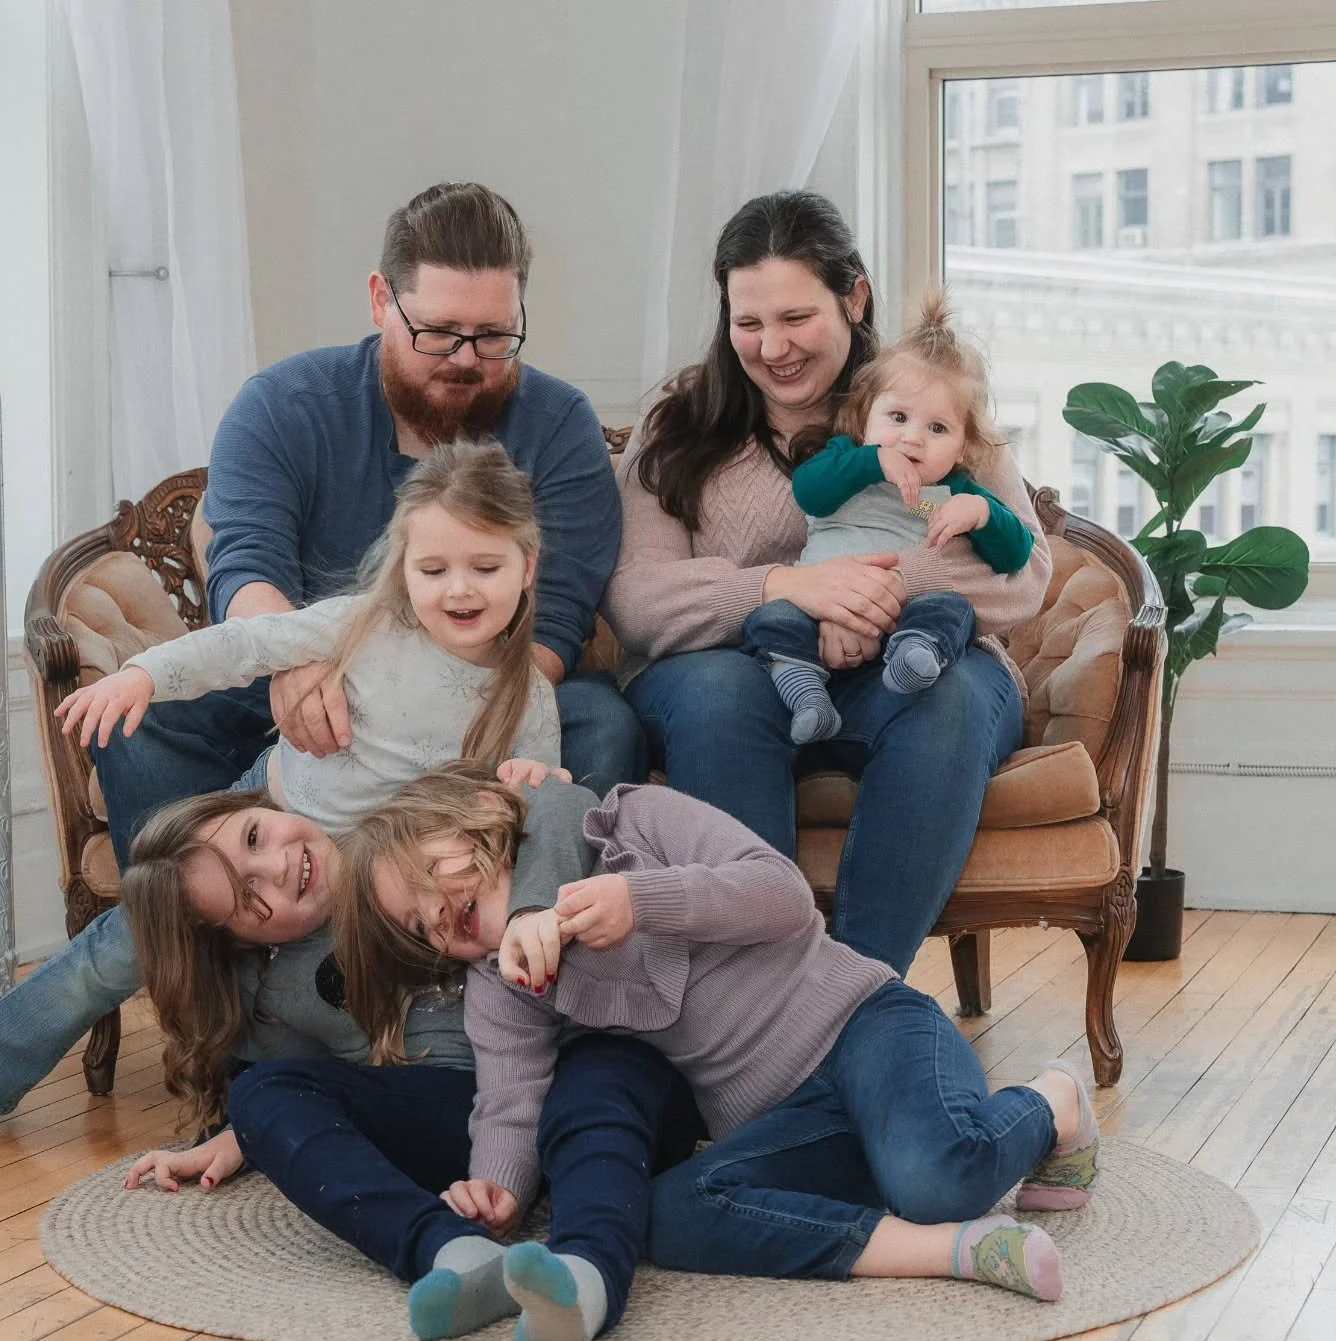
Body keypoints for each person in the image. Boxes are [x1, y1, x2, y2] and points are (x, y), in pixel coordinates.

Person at [345, 765, 1101, 1341]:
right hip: (790, 1118)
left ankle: (1055, 1097)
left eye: (429, 879)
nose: (437, 917)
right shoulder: (503, 985)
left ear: (482, 809)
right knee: (667, 1216)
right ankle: (956, 1251)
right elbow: (509, 1097)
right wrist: (499, 1190)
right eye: (418, 927)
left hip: (869, 1028)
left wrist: (641, 901)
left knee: (939, 1178)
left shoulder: (633, 823)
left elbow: (782, 896)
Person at [94, 179, 645, 867]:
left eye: (496, 336)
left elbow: (557, 616)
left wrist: (436, 723)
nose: (468, 359)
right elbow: (247, 560)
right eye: (441, 333)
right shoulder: (282, 405)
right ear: (382, 299)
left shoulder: (560, 424)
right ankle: (196, 953)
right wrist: (294, 668)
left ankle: (522, 948)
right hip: (302, 670)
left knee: (602, 723)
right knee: (142, 722)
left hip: (484, 690)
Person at [601, 191, 1052, 977]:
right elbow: (640, 599)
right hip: (740, 675)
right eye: (749, 323)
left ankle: (851, 1003)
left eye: (796, 318)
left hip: (903, 669)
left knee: (951, 694)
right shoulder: (682, 418)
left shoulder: (924, 402)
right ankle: (757, 1004)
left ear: (855, 298)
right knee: (716, 693)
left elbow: (1026, 576)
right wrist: (791, 586)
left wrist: (871, 596)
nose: (772, 347)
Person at [117, 777, 701, 1341]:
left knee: (601, 1081)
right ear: (236, 942)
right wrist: (244, 1135)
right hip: (461, 1111)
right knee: (259, 1092)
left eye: (255, 837)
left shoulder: (408, 833)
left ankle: (585, 1276)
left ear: (266, 807)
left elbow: (558, 806)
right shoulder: (277, 992)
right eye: (247, 897)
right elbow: (306, 1092)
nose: (278, 866)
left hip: (599, 1061)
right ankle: (452, 1251)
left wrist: (529, 911)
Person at [56, 440, 559, 828]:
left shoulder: (528, 695)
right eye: (433, 571)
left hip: (377, 879)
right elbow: (246, 644)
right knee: (164, 909)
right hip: (272, 812)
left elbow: (535, 811)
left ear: (528, 567)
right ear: (404, 568)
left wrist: (534, 791)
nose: (459, 590)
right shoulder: (362, 624)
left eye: (486, 567)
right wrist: (144, 674)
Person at [743, 292, 1033, 743]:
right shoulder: (847, 460)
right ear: (864, 418)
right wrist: (873, 462)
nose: (912, 439)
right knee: (772, 618)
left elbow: (1017, 556)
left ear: (963, 447)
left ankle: (916, 660)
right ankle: (806, 696)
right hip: (817, 614)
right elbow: (809, 493)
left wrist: (983, 514)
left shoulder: (949, 491)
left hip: (902, 625)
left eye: (937, 429)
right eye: (897, 417)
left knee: (952, 610)